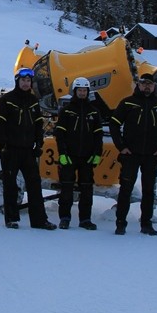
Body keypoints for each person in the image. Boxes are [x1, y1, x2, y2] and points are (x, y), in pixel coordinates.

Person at [109, 72, 157, 235]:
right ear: (138, 85)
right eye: (144, 83)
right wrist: (121, 146)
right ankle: (120, 223)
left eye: (150, 84)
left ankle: (146, 223)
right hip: (130, 154)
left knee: (148, 191)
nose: (147, 86)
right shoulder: (128, 103)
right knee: (126, 189)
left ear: (154, 86)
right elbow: (114, 124)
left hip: (151, 156)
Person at [0, 68, 57, 230]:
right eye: (23, 80)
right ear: (17, 81)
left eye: (28, 81)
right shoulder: (7, 99)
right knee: (10, 185)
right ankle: (11, 218)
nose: (25, 83)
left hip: (28, 150)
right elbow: (0, 124)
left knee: (35, 185)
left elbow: (38, 125)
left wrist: (39, 144)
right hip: (11, 150)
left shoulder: (33, 100)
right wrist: (3, 145)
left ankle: (39, 220)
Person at [54, 77, 104, 230]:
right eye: (79, 90)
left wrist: (97, 154)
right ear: (74, 91)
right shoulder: (67, 111)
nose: (82, 93)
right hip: (69, 156)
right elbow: (60, 134)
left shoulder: (94, 112)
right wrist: (62, 153)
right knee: (67, 189)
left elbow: (98, 136)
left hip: (87, 158)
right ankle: (65, 217)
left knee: (87, 189)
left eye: (84, 90)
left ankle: (85, 219)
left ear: (88, 92)